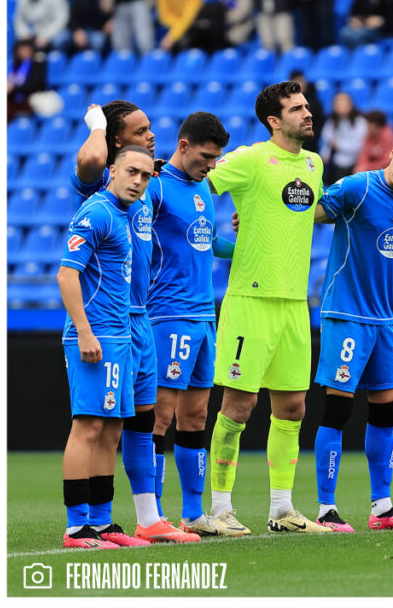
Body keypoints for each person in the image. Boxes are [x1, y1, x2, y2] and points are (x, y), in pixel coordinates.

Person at [205, 81, 329, 534]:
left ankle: (282, 509)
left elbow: (304, 211)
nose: (307, 113)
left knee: (293, 408)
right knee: (239, 406)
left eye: (307, 106)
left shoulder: (314, 164)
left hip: (295, 302)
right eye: (296, 108)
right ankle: (219, 508)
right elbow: (196, 188)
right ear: (274, 121)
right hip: (251, 300)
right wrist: (217, 241)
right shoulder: (251, 158)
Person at [74, 101, 199, 544]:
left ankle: (148, 518)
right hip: (110, 320)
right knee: (103, 424)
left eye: (151, 127)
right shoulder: (101, 183)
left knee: (143, 421)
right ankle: (91, 519)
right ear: (116, 143)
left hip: (142, 317)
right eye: (140, 130)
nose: (151, 134)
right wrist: (96, 124)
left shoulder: (145, 181)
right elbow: (92, 156)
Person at [311, 129, 393, 532]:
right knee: (338, 410)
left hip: (384, 320)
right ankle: (325, 510)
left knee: (386, 411)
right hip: (347, 312)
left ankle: (382, 509)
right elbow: (309, 212)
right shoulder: (358, 187)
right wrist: (260, 217)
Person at [146, 112, 243, 537]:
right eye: (205, 156)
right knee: (159, 417)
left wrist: (244, 247)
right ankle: (150, 514)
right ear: (183, 146)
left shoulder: (203, 185)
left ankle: (192, 513)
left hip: (205, 316)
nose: (211, 165)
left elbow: (207, 240)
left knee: (197, 415)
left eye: (216, 157)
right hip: (168, 315)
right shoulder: (155, 187)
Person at [57, 145, 156, 549]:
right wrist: (84, 332)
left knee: (112, 429)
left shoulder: (123, 214)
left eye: (145, 175)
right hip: (95, 336)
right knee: (88, 427)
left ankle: (101, 522)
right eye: (131, 171)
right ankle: (76, 527)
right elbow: (67, 275)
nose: (138, 181)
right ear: (112, 170)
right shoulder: (97, 211)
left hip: (120, 336)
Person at [319, 92, 368, 183]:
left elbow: (359, 146)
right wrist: (325, 153)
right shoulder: (331, 121)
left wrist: (339, 145)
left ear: (351, 104)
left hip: (355, 162)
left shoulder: (360, 122)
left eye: (344, 102)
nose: (341, 105)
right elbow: (326, 141)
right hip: (335, 163)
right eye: (337, 103)